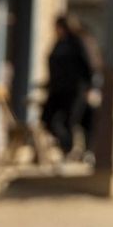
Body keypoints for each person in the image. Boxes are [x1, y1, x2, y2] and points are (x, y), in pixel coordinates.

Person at [41, 14, 93, 160]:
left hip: (75, 90)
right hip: (57, 90)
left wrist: (90, 87)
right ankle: (66, 146)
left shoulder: (77, 43)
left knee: (71, 120)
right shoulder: (59, 43)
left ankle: (69, 150)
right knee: (48, 119)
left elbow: (87, 65)